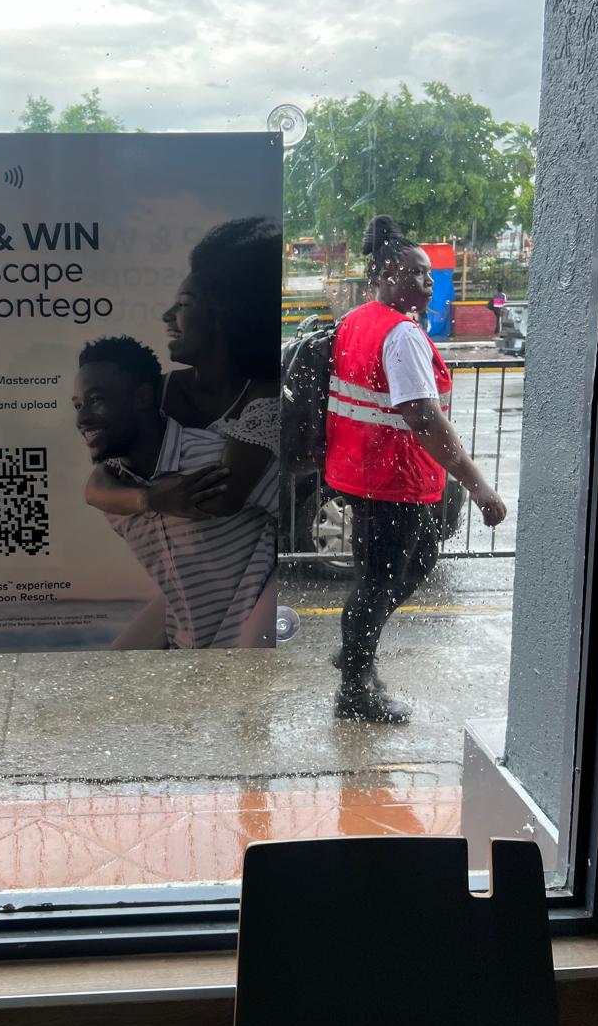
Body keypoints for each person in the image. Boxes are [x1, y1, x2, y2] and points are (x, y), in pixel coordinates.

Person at [325, 215, 507, 724]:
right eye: (417, 273)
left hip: (370, 473)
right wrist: (479, 487)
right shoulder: (400, 335)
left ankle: (355, 645)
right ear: (386, 275)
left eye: (429, 274)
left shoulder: (359, 319)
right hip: (390, 479)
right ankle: (354, 690)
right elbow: (424, 419)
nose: (428, 282)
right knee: (378, 582)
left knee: (416, 560)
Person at [83, 217, 282, 645]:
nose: (168, 316)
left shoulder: (265, 398)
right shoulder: (158, 393)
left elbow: (221, 497)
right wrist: (149, 498)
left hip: (258, 569)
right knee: (118, 661)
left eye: (185, 304)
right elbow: (97, 483)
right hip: (201, 571)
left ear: (225, 312)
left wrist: (146, 493)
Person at [73, 336, 277, 650]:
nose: (82, 418)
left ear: (143, 397)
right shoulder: (115, 495)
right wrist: (147, 499)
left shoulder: (214, 459)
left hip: (248, 651)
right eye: (78, 405)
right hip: (188, 648)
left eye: (96, 400)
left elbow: (293, 520)